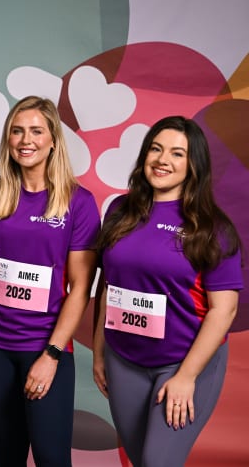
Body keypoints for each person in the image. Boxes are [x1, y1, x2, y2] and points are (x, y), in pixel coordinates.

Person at [92, 116, 242, 466]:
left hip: (184, 362)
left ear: (193, 165)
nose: (162, 160)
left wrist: (186, 376)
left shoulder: (210, 227)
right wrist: (100, 353)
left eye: (177, 153)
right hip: (123, 360)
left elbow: (225, 310)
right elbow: (108, 287)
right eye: (156, 149)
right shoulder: (119, 210)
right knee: (139, 457)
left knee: (158, 462)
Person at [0, 96, 100, 466]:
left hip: (45, 345)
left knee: (51, 457)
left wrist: (52, 354)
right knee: (7, 455)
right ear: (8, 139)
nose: (26, 140)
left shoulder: (78, 203)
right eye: (17, 131)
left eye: (36, 131)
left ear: (53, 140)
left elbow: (81, 288)